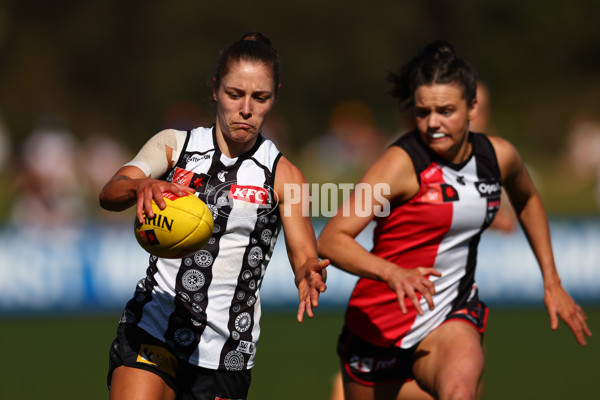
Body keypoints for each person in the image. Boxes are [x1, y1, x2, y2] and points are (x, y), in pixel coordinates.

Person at [318, 40, 591, 400]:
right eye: (423, 111)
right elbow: (332, 238)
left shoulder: (498, 157)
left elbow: (527, 199)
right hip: (379, 325)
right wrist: (392, 272)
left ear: (472, 107)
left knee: (460, 392)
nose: (433, 123)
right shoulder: (399, 164)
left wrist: (552, 281)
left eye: (446, 110)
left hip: (451, 312)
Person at [99, 32, 329, 400]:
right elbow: (110, 192)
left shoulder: (284, 175)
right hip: (154, 322)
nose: (246, 109)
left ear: (275, 97)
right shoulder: (175, 146)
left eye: (260, 97)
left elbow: (304, 254)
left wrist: (309, 272)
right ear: (215, 90)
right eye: (235, 94)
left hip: (226, 350)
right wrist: (139, 187)